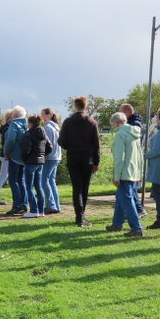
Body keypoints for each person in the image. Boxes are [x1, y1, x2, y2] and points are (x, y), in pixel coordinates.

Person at [58, 96, 100, 227]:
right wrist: (96, 162)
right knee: (84, 187)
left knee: (77, 188)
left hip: (73, 157)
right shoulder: (92, 123)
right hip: (87, 158)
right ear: (86, 107)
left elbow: (61, 141)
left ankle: (79, 216)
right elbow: (96, 145)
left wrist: (71, 147)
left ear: (75, 106)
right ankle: (82, 216)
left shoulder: (67, 122)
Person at [105, 112, 144, 237]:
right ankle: (117, 223)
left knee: (127, 200)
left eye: (113, 125)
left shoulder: (120, 135)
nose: (113, 128)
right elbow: (140, 156)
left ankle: (136, 228)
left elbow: (119, 158)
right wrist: (140, 173)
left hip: (124, 172)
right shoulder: (135, 134)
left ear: (117, 123)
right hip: (133, 171)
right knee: (121, 198)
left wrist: (116, 177)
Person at [21, 116, 52, 218]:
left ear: (30, 123)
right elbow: (49, 147)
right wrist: (42, 155)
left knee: (29, 187)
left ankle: (33, 210)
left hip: (30, 162)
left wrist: (24, 158)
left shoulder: (28, 135)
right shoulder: (43, 133)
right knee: (38, 187)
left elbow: (26, 150)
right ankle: (41, 210)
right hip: (40, 162)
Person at [119, 103, 146, 217]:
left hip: (132, 158)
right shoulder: (134, 123)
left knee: (130, 186)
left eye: (121, 112)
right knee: (129, 186)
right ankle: (131, 210)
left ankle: (139, 210)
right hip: (132, 158)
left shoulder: (134, 125)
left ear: (127, 112)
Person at [4, 106, 28, 216]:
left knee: (13, 180)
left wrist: (6, 152)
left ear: (14, 115)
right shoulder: (27, 124)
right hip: (25, 156)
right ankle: (24, 204)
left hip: (14, 155)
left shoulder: (14, 124)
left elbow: (10, 139)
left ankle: (17, 205)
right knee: (22, 181)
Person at [41, 108, 61, 214]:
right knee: (51, 181)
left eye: (43, 115)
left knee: (44, 180)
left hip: (50, 157)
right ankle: (56, 205)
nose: (41, 117)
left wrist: (43, 155)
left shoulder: (48, 127)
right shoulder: (56, 127)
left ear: (49, 115)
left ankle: (50, 205)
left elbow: (46, 144)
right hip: (57, 156)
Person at [0, 109, 13, 206]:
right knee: (3, 176)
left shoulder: (5, 128)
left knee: (4, 176)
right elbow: (6, 143)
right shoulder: (8, 129)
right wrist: (6, 154)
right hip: (6, 156)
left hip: (5, 155)